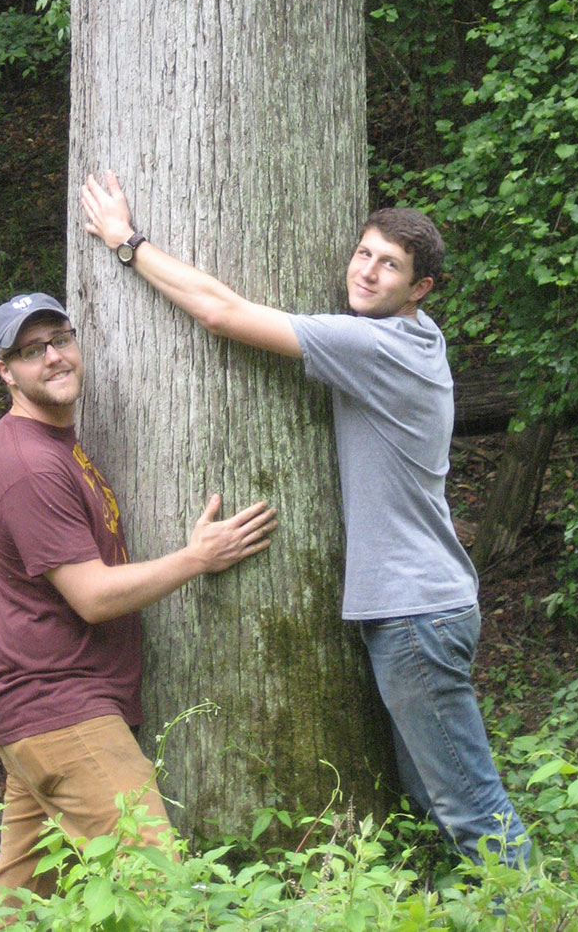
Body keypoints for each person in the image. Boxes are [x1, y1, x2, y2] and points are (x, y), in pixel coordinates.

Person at [80, 172, 529, 867]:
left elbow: (222, 314)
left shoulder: (378, 347)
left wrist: (126, 241)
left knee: (472, 807)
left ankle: (534, 909)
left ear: (421, 289)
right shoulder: (417, 338)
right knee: (430, 801)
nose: (369, 271)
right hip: (421, 608)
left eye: (391, 265)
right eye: (364, 253)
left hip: (416, 613)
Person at [0, 290, 277, 897]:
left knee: (21, 911)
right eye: (32, 351)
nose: (54, 358)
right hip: (62, 713)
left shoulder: (53, 443)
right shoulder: (30, 463)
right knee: (157, 891)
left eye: (60, 340)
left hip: (36, 714)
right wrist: (197, 558)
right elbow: (91, 595)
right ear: (6, 372)